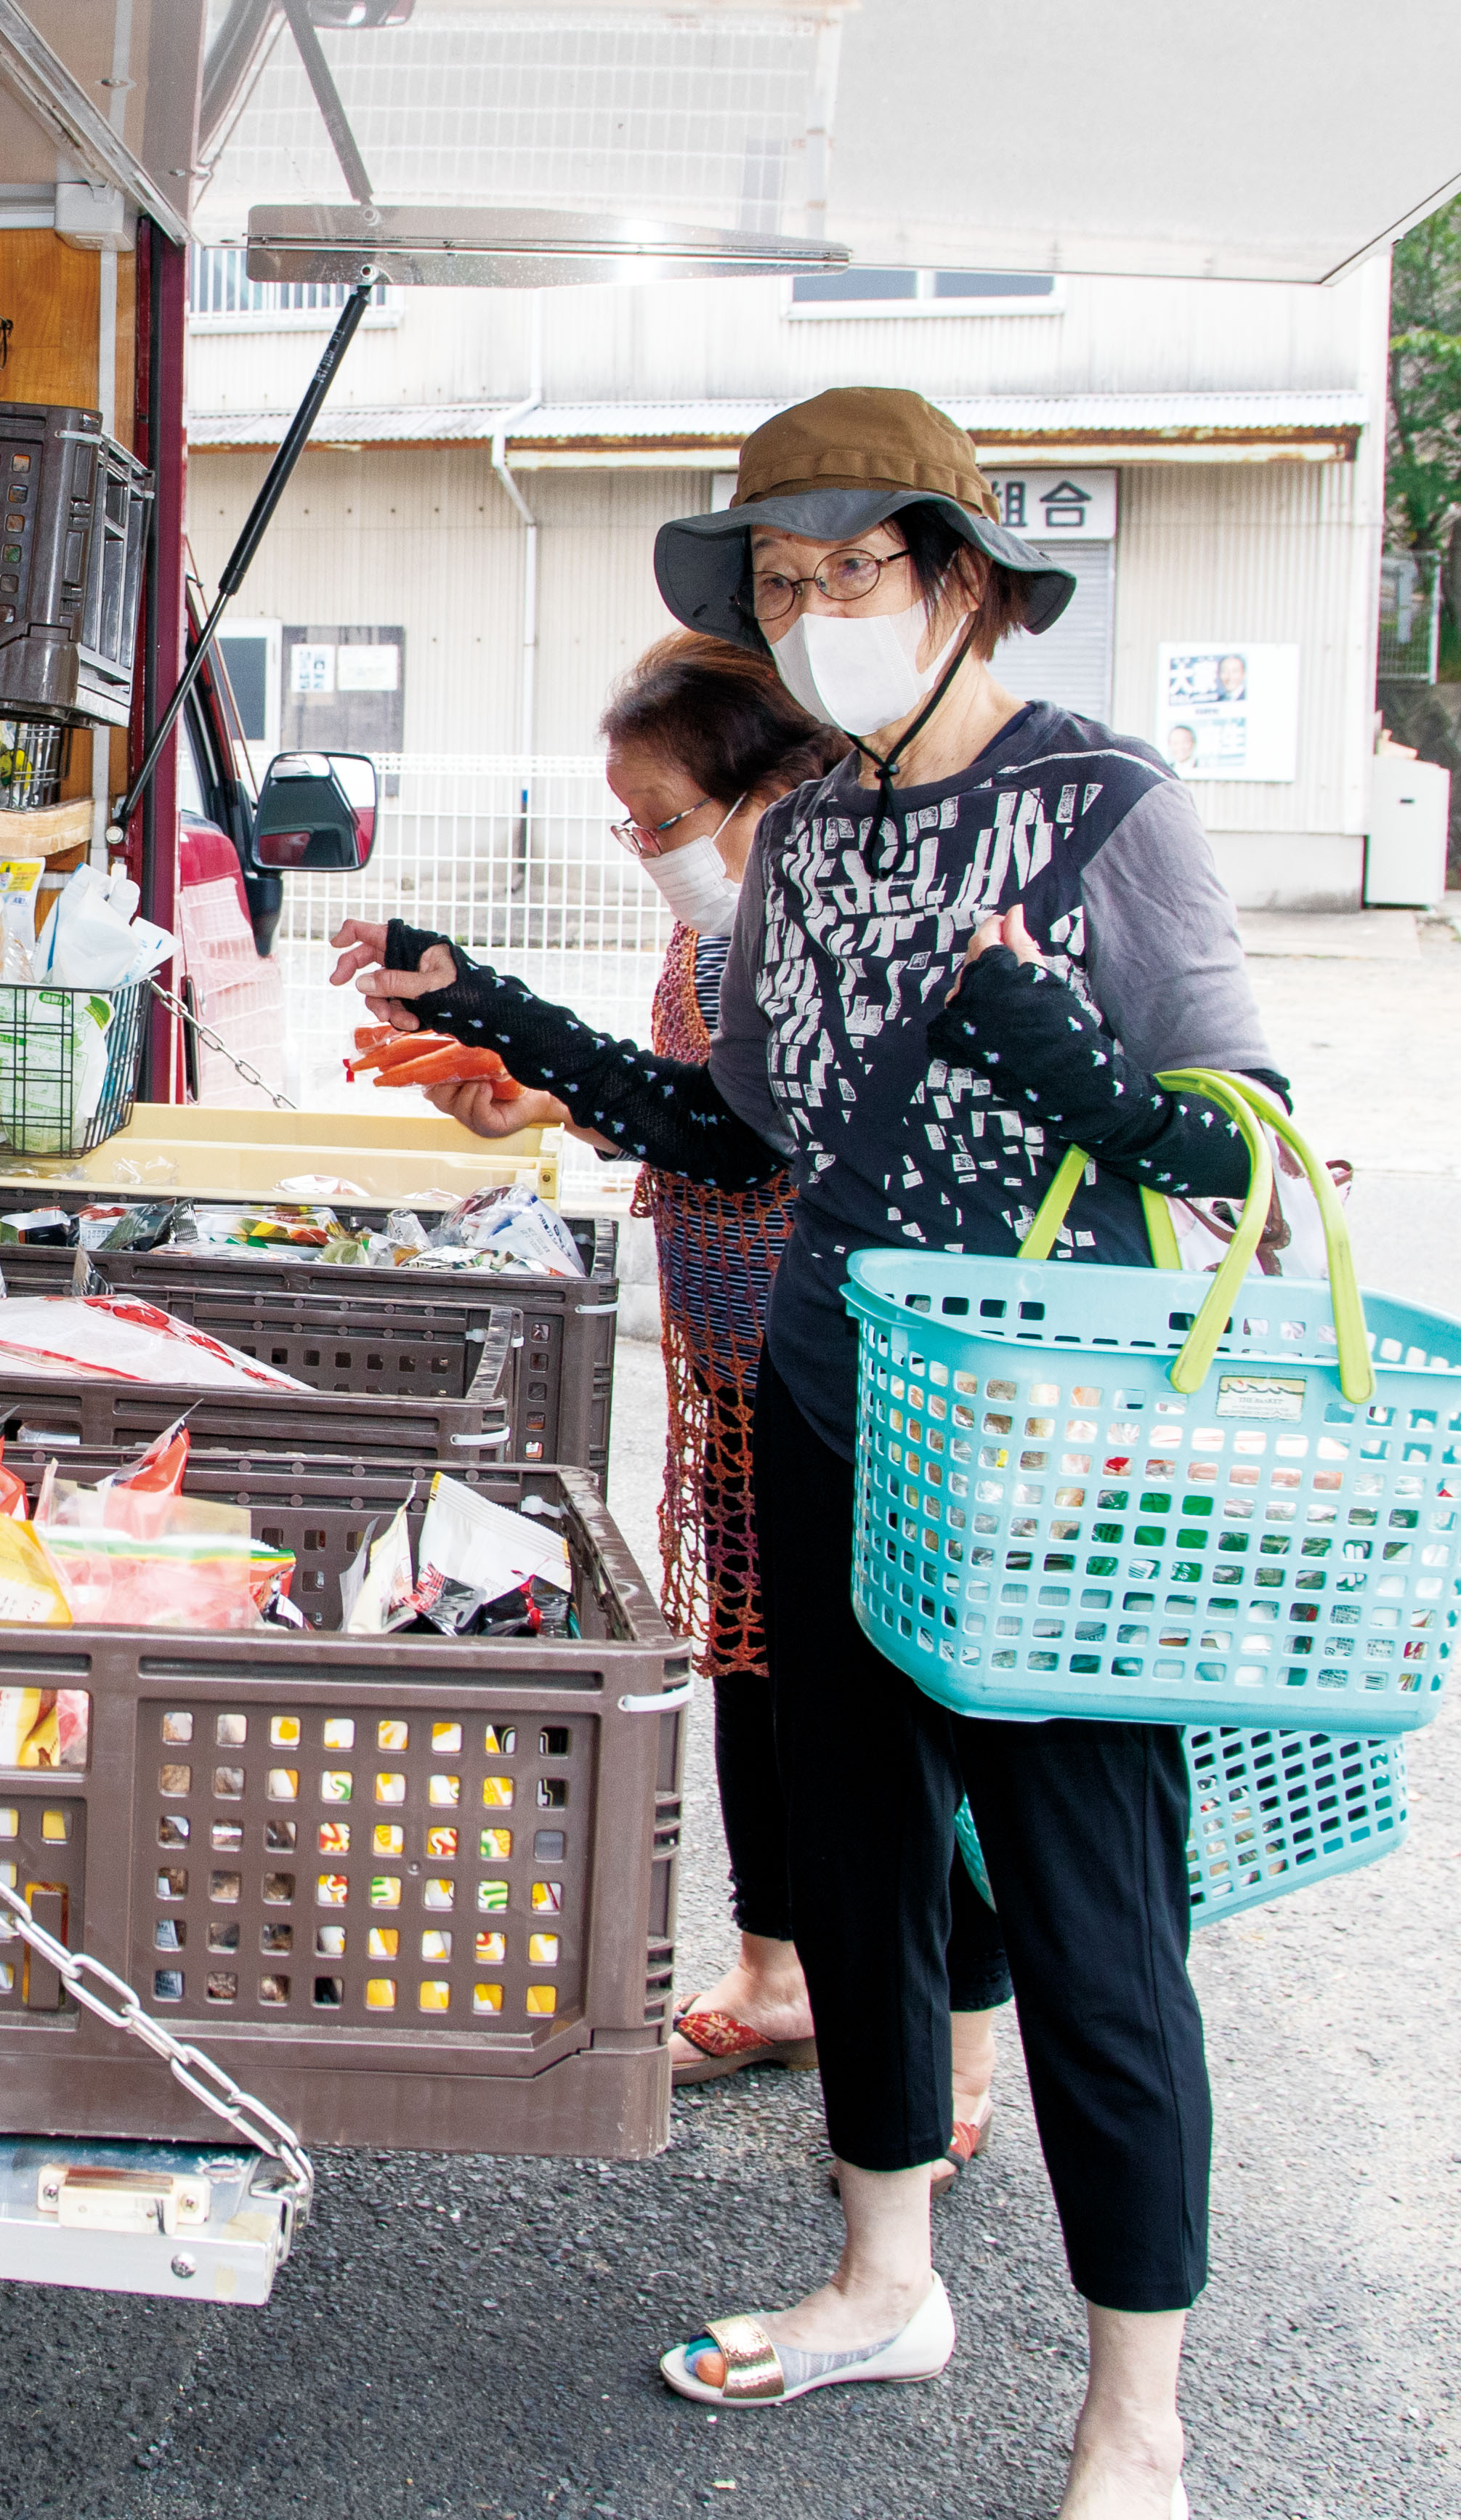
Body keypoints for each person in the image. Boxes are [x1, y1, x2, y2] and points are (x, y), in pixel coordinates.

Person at [333, 385, 1289, 2520]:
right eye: (779, 582)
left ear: (960, 578)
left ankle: (1139, 2414)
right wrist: (487, 1001)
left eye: (849, 571)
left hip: (1063, 1461)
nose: (813, 612)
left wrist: (1057, 1050)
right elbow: (739, 1132)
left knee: (1089, 1918)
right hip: (837, 1402)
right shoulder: (825, 831)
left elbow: (1252, 1166)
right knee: (853, 1872)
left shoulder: (1104, 805)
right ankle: (883, 2277)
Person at [595, 635, 1008, 2169]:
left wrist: (564, 1080)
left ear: (780, 784)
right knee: (749, 1670)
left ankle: (959, 2038)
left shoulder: (854, 927)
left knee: (893, 1716)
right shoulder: (720, 918)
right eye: (627, 820)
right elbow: (678, 1102)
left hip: (849, 1380)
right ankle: (778, 1974)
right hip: (728, 1362)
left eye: (660, 815)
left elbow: (753, 1134)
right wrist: (546, 1088)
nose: (647, 848)